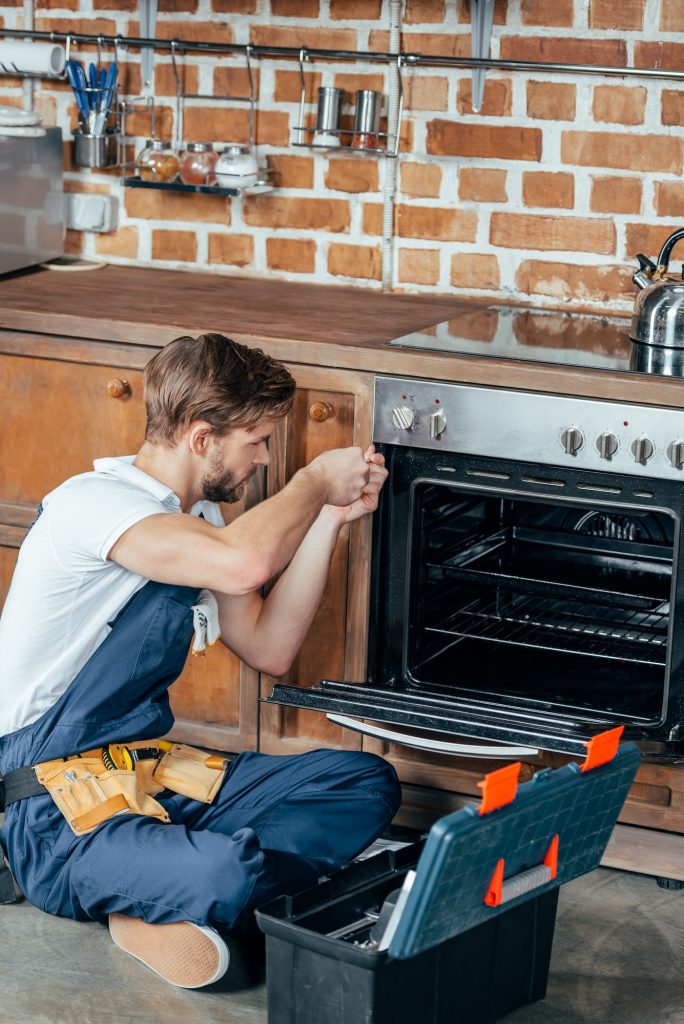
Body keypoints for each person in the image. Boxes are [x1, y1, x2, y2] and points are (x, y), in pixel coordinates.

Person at [0, 332, 401, 990]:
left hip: (151, 777)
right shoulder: (93, 505)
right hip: (56, 814)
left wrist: (330, 516)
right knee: (226, 871)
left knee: (364, 782)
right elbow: (244, 562)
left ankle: (163, 896)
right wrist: (310, 482)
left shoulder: (203, 521)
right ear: (200, 436)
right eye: (257, 442)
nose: (264, 460)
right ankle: (176, 889)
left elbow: (270, 648)